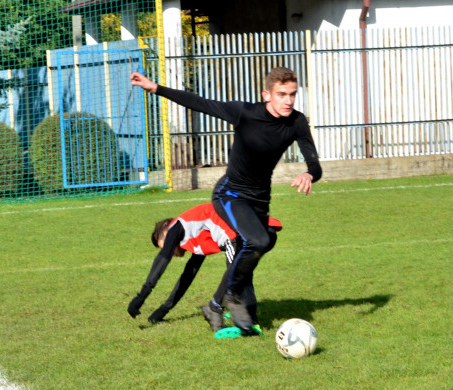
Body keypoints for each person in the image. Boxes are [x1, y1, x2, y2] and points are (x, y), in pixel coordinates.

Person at [130, 66, 322, 335]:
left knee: (264, 241)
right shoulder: (244, 113)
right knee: (258, 241)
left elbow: (315, 164)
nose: (288, 100)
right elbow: (199, 103)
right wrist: (156, 89)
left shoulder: (298, 122)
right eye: (281, 94)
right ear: (267, 94)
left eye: (292, 94)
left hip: (259, 201)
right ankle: (229, 298)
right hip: (230, 194)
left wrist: (309, 174)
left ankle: (215, 307)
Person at [126, 202, 282, 337]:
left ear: (166, 231)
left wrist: (142, 295)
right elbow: (188, 275)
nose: (171, 252)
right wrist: (164, 309)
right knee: (242, 269)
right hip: (243, 228)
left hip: (238, 228)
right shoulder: (195, 232)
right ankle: (247, 318)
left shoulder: (177, 226)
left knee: (239, 270)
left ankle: (218, 308)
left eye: (166, 245)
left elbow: (163, 259)